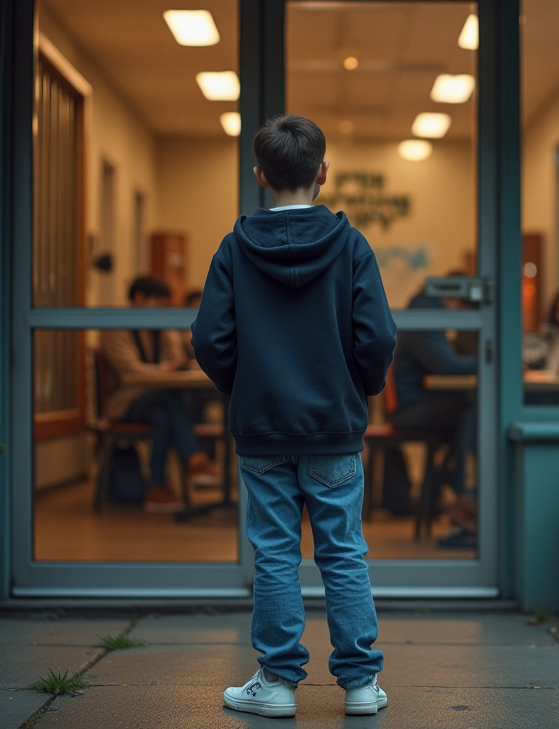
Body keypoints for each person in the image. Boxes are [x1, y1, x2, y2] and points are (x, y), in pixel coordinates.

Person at [193, 114, 397, 718]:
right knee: (343, 551)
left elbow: (209, 338)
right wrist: (362, 391)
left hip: (262, 429)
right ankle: (361, 684)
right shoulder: (351, 245)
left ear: (260, 176)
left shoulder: (234, 247)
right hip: (334, 428)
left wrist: (244, 387)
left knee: (276, 552)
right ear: (323, 174)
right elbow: (378, 336)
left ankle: (278, 684)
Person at [100, 276, 220, 513]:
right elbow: (129, 370)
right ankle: (194, 459)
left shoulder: (159, 329)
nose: (163, 309)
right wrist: (165, 369)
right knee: (168, 394)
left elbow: (177, 354)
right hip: (127, 404)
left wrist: (177, 353)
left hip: (155, 403)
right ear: (139, 298)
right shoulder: (116, 327)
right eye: (158, 302)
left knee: (163, 415)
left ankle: (156, 488)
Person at [390, 286, 479, 548]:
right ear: (453, 299)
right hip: (409, 411)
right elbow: (446, 365)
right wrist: (493, 358)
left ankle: (457, 498)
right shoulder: (425, 317)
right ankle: (465, 499)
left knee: (468, 415)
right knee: (470, 414)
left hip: (419, 404)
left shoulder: (423, 313)